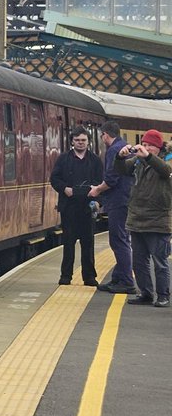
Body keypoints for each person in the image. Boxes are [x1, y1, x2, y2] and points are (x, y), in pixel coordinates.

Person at [116, 129, 172, 307]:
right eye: (145, 144)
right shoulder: (139, 161)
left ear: (158, 148)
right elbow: (122, 170)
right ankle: (146, 293)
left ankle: (163, 295)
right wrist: (119, 157)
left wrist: (147, 156)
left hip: (158, 220)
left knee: (160, 262)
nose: (146, 148)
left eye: (150, 146)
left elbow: (164, 170)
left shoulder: (166, 161)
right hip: (137, 218)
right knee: (139, 261)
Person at [49, 126, 102, 286]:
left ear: (88, 142)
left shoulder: (95, 160)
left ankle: (89, 277)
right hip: (69, 206)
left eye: (83, 140)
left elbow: (102, 182)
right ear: (72, 141)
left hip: (88, 206)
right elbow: (54, 179)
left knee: (88, 244)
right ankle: (66, 276)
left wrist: (99, 202)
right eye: (77, 140)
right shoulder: (63, 159)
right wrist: (64, 189)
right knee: (68, 243)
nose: (80, 143)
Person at [88, 121, 137, 294]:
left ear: (105, 134)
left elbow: (111, 179)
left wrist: (97, 190)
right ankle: (118, 277)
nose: (102, 138)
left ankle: (126, 281)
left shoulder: (113, 151)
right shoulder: (124, 146)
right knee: (122, 239)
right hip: (126, 199)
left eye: (102, 135)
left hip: (118, 201)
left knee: (119, 240)